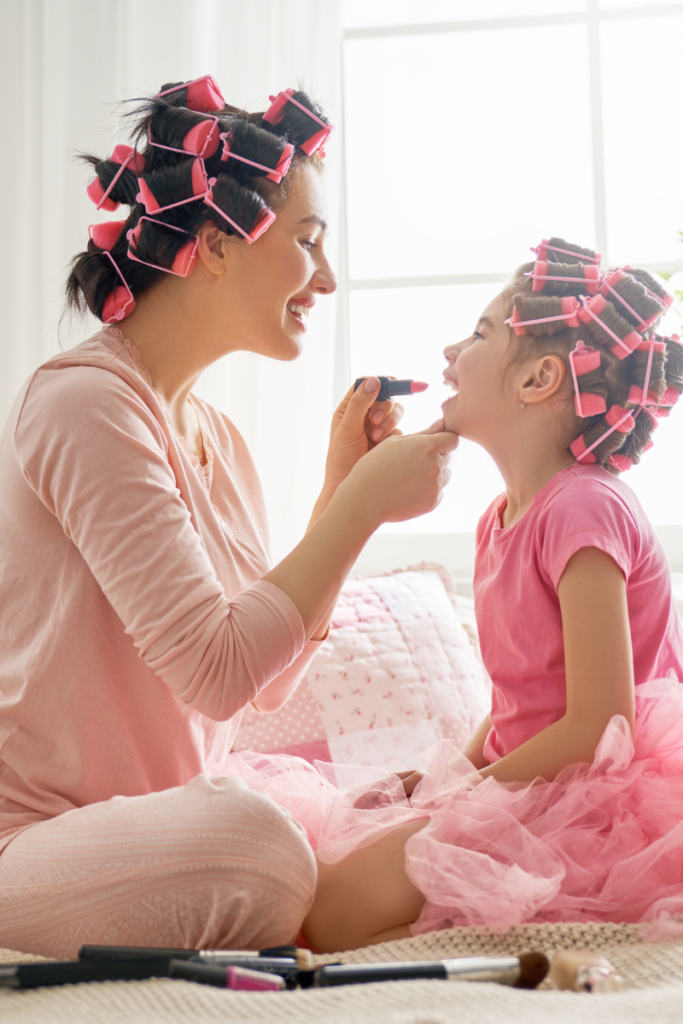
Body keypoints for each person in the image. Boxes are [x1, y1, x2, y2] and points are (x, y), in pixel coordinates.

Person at [0, 76, 457, 958]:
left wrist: (335, 489)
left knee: (399, 818)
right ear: (213, 244)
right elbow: (214, 672)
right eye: (307, 242)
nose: (324, 277)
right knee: (259, 849)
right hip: (34, 844)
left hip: (151, 827)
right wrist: (360, 509)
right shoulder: (84, 405)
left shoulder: (216, 435)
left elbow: (265, 682)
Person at [226, 238, 683, 953]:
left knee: (332, 910)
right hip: (531, 783)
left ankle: (504, 924)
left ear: (536, 379)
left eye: (477, 334)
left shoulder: (583, 509)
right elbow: (519, 707)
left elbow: (599, 723)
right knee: (310, 878)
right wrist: (444, 776)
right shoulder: (499, 519)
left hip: (593, 795)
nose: (448, 352)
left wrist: (465, 797)